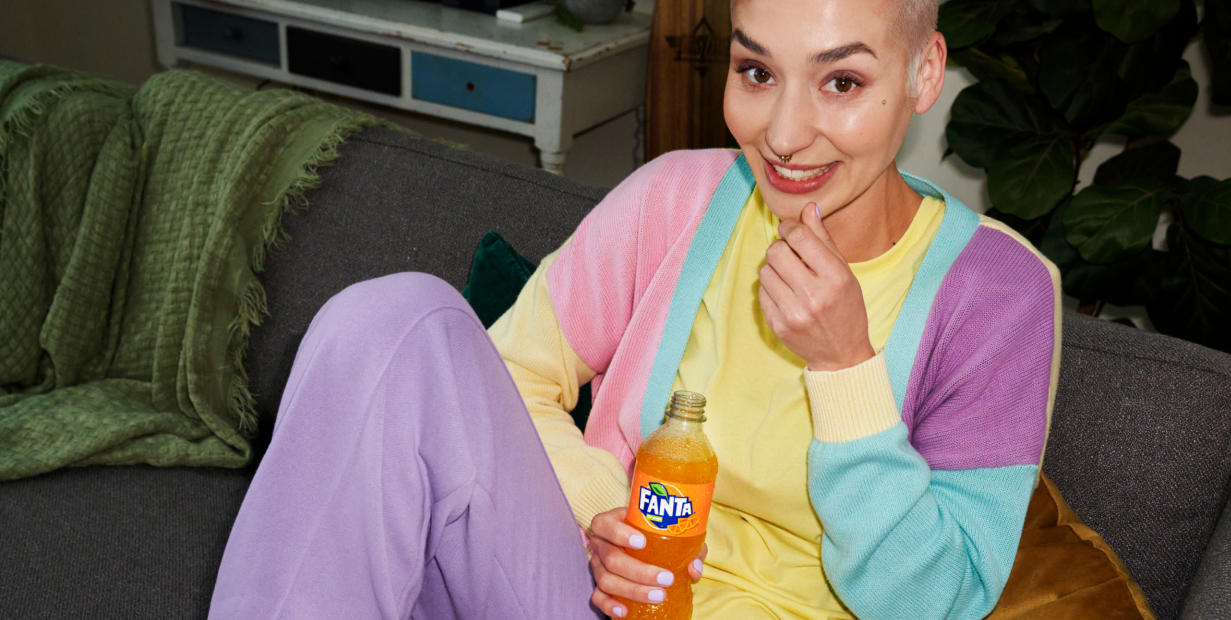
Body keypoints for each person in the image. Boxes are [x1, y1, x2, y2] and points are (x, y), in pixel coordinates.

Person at [208, 0, 1061, 618]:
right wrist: (597, 517)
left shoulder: (1000, 296)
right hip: (586, 597)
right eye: (756, 71)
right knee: (397, 324)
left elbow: (940, 603)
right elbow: (511, 373)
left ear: (923, 72)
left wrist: (845, 370)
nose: (785, 134)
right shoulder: (676, 199)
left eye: (841, 81)